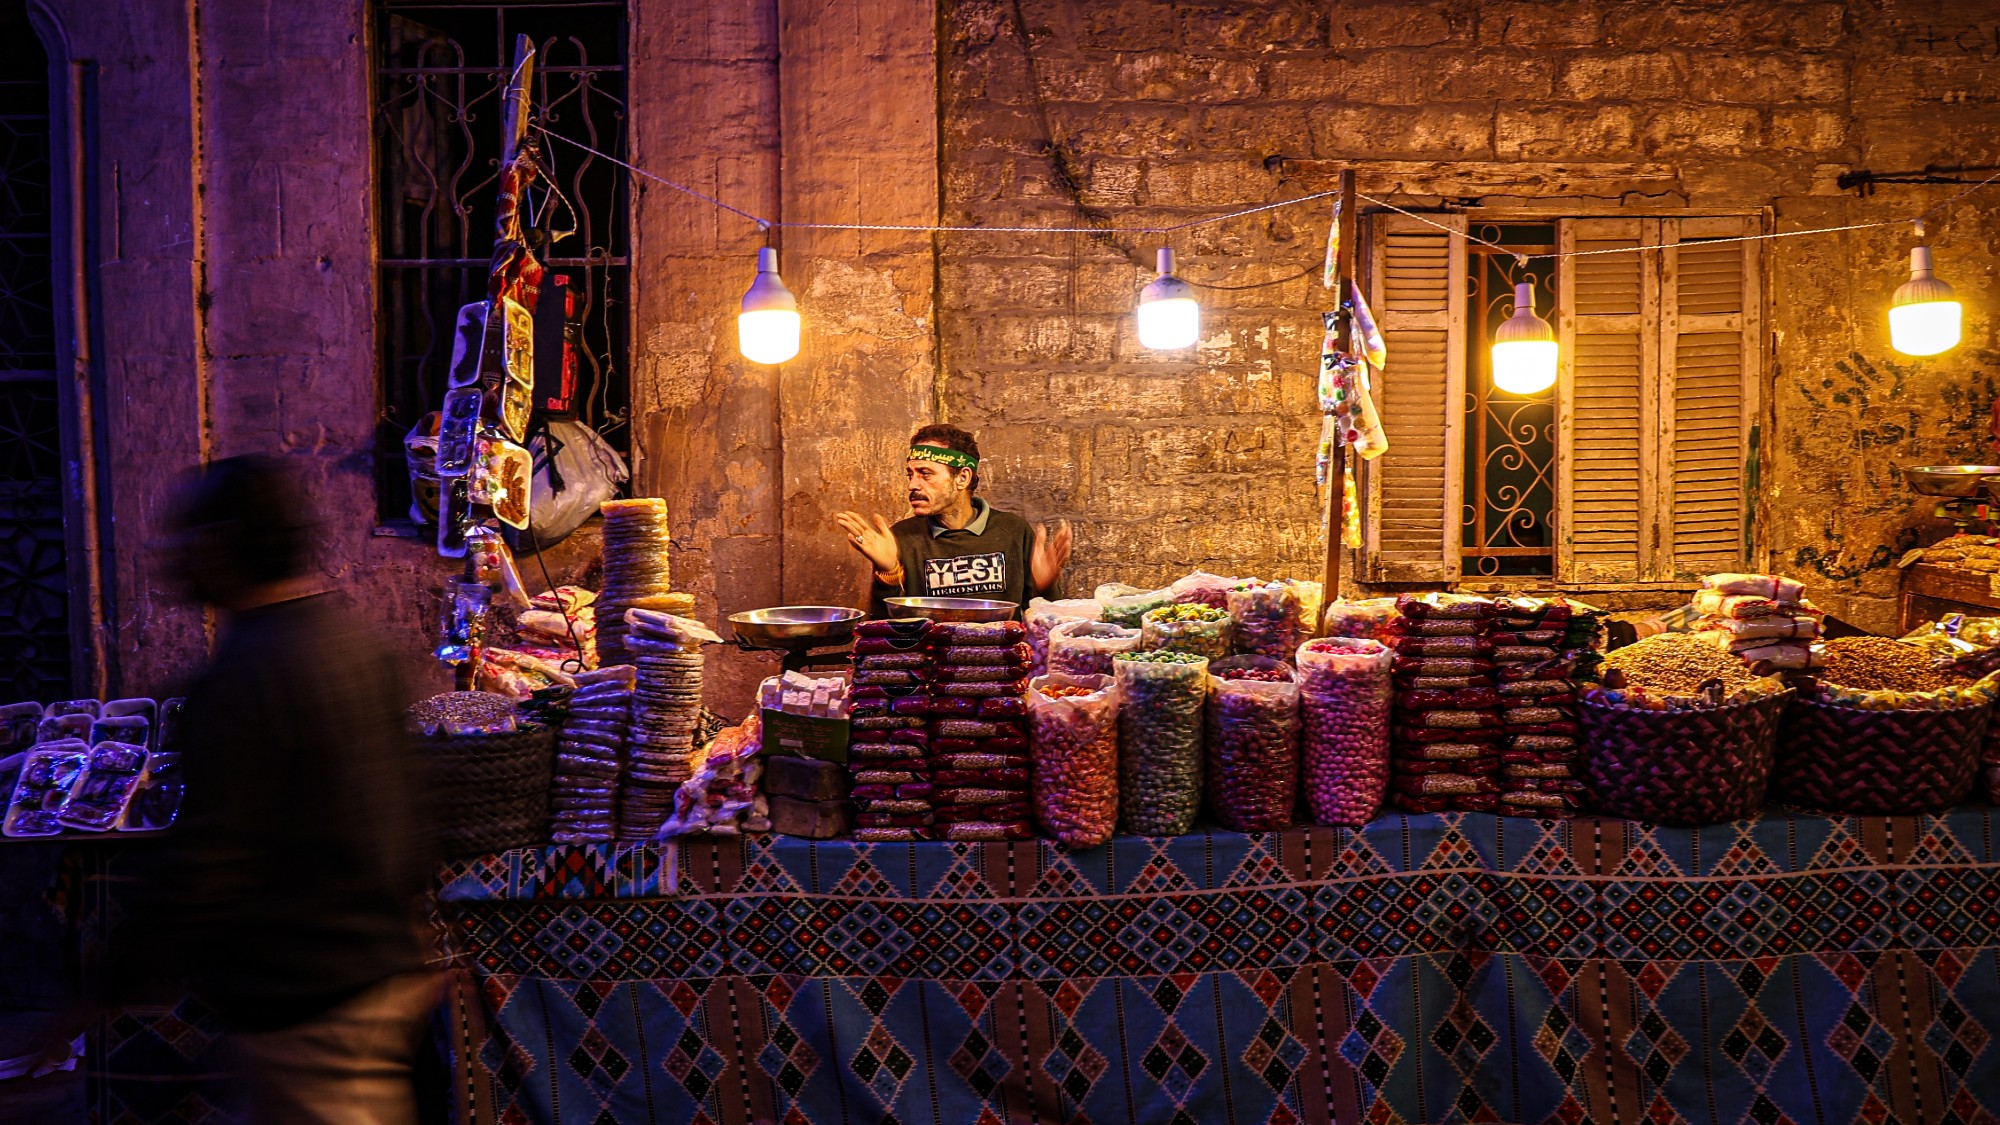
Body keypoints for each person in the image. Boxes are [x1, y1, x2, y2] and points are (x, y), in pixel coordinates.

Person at [113, 456, 439, 1124]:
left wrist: (103, 985)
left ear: (224, 543)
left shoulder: (239, 680)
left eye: (186, 535)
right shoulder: (359, 648)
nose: (172, 554)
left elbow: (207, 859)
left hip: (312, 1005)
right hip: (375, 979)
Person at [835, 424, 1073, 617]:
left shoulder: (1012, 531)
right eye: (910, 474)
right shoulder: (902, 537)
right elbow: (884, 632)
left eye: (925, 474)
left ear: (962, 477)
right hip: (931, 659)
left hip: (1001, 658)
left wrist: (1046, 588)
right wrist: (888, 574)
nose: (912, 485)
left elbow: (1046, 623)